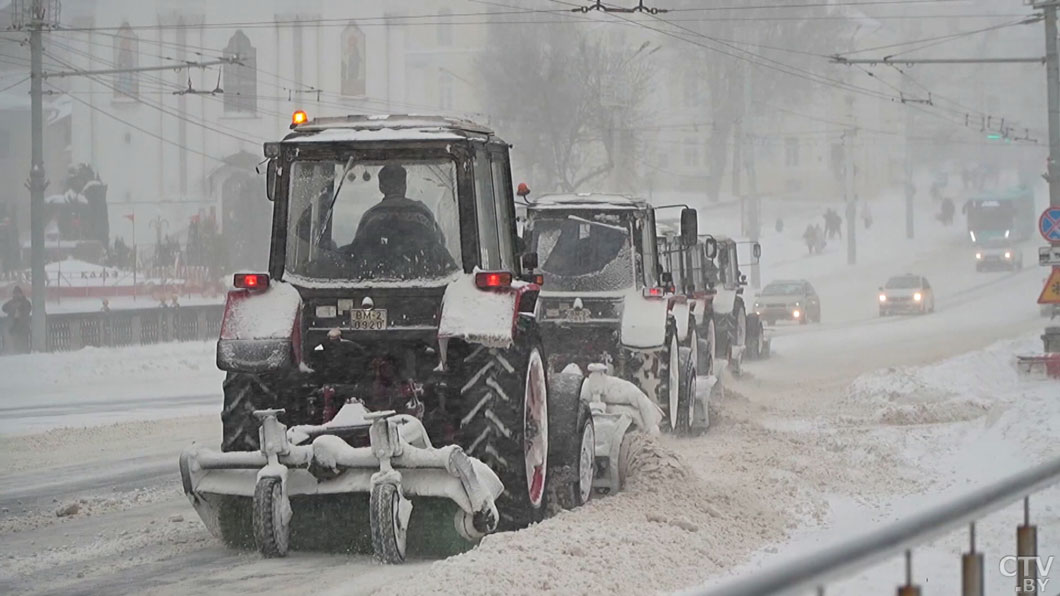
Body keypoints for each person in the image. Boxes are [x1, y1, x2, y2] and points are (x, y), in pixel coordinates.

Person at [345, 163, 456, 279]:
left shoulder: (371, 217)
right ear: (404, 185)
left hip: (378, 283)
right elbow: (438, 244)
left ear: (381, 187)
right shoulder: (422, 212)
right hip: (424, 282)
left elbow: (356, 253)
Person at [2, 286, 31, 354]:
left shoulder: (26, 302)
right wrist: (12, 307)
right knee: (10, 333)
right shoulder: (12, 302)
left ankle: (23, 350)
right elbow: (4, 308)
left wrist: (20, 307)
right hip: (13, 324)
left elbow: (28, 309)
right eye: (15, 293)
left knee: (21, 335)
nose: (16, 295)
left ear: (21, 294)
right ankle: (11, 350)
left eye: (18, 293)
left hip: (23, 324)